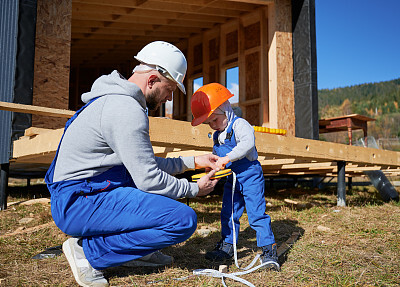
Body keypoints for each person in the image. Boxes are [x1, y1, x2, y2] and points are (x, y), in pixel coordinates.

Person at [45, 41, 220, 287]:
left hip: (86, 193)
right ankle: (88, 252)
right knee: (182, 220)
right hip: (79, 201)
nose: (169, 98)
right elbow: (149, 179)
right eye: (169, 89)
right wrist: (193, 190)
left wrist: (192, 162)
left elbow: (141, 163)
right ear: (151, 80)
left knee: (149, 198)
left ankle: (139, 249)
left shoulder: (115, 101)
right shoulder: (125, 110)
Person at [190, 83, 280, 271]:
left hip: (249, 174)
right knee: (229, 212)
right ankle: (227, 246)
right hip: (232, 178)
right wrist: (212, 172)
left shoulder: (239, 125)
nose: (213, 125)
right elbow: (218, 160)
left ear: (225, 111)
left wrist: (227, 158)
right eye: (209, 123)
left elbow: (247, 144)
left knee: (256, 213)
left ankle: (268, 250)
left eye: (214, 120)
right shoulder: (217, 135)